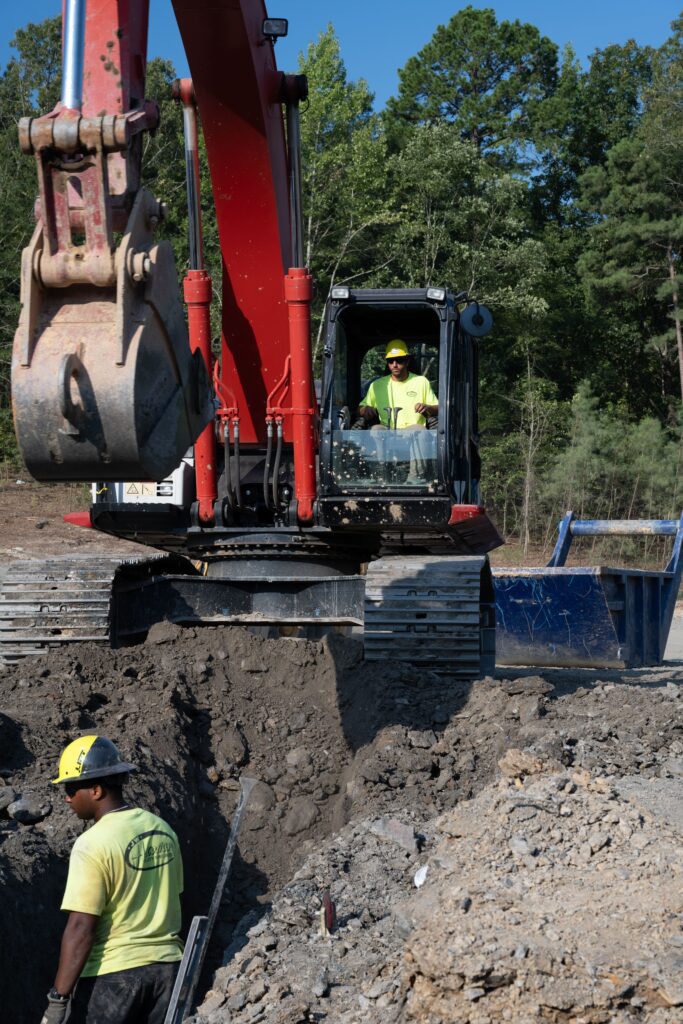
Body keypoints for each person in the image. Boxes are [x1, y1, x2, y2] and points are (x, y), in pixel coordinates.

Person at [41, 735, 184, 1024]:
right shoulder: (162, 829)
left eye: (71, 788)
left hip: (115, 978)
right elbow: (175, 895)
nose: (67, 797)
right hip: (170, 972)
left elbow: (81, 926)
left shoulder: (92, 843)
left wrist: (58, 999)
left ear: (95, 790)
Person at [357, 339, 438, 429]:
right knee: (376, 429)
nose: (394, 365)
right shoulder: (376, 385)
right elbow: (360, 409)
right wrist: (365, 409)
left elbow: (437, 408)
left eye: (399, 360)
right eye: (390, 361)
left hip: (413, 431)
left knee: (418, 429)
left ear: (407, 361)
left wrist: (427, 408)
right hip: (386, 431)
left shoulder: (421, 382)